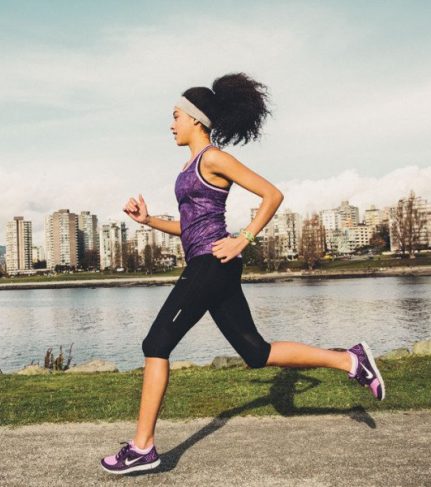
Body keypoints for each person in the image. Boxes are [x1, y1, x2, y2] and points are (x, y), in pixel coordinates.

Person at [100, 73, 385, 475]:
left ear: (196, 120)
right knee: (256, 352)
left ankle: (143, 447)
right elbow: (192, 227)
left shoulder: (214, 158)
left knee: (156, 342)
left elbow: (272, 194)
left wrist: (243, 238)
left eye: (176, 116)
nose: (171, 124)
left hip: (212, 264)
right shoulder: (190, 166)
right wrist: (149, 221)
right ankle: (350, 361)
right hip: (210, 261)